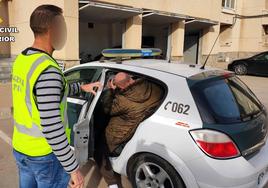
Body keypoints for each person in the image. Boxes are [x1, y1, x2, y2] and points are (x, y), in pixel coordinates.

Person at [12, 5, 101, 188]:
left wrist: (82, 87)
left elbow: (46, 93)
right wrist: (73, 169)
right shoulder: (48, 70)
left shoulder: (23, 59)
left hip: (21, 148)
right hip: (44, 155)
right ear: (53, 29)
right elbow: (52, 128)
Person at [94, 72, 163, 188]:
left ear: (120, 87)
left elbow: (106, 109)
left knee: (99, 151)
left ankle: (113, 184)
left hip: (121, 134)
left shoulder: (123, 101)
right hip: (141, 125)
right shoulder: (153, 86)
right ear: (131, 78)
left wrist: (109, 90)